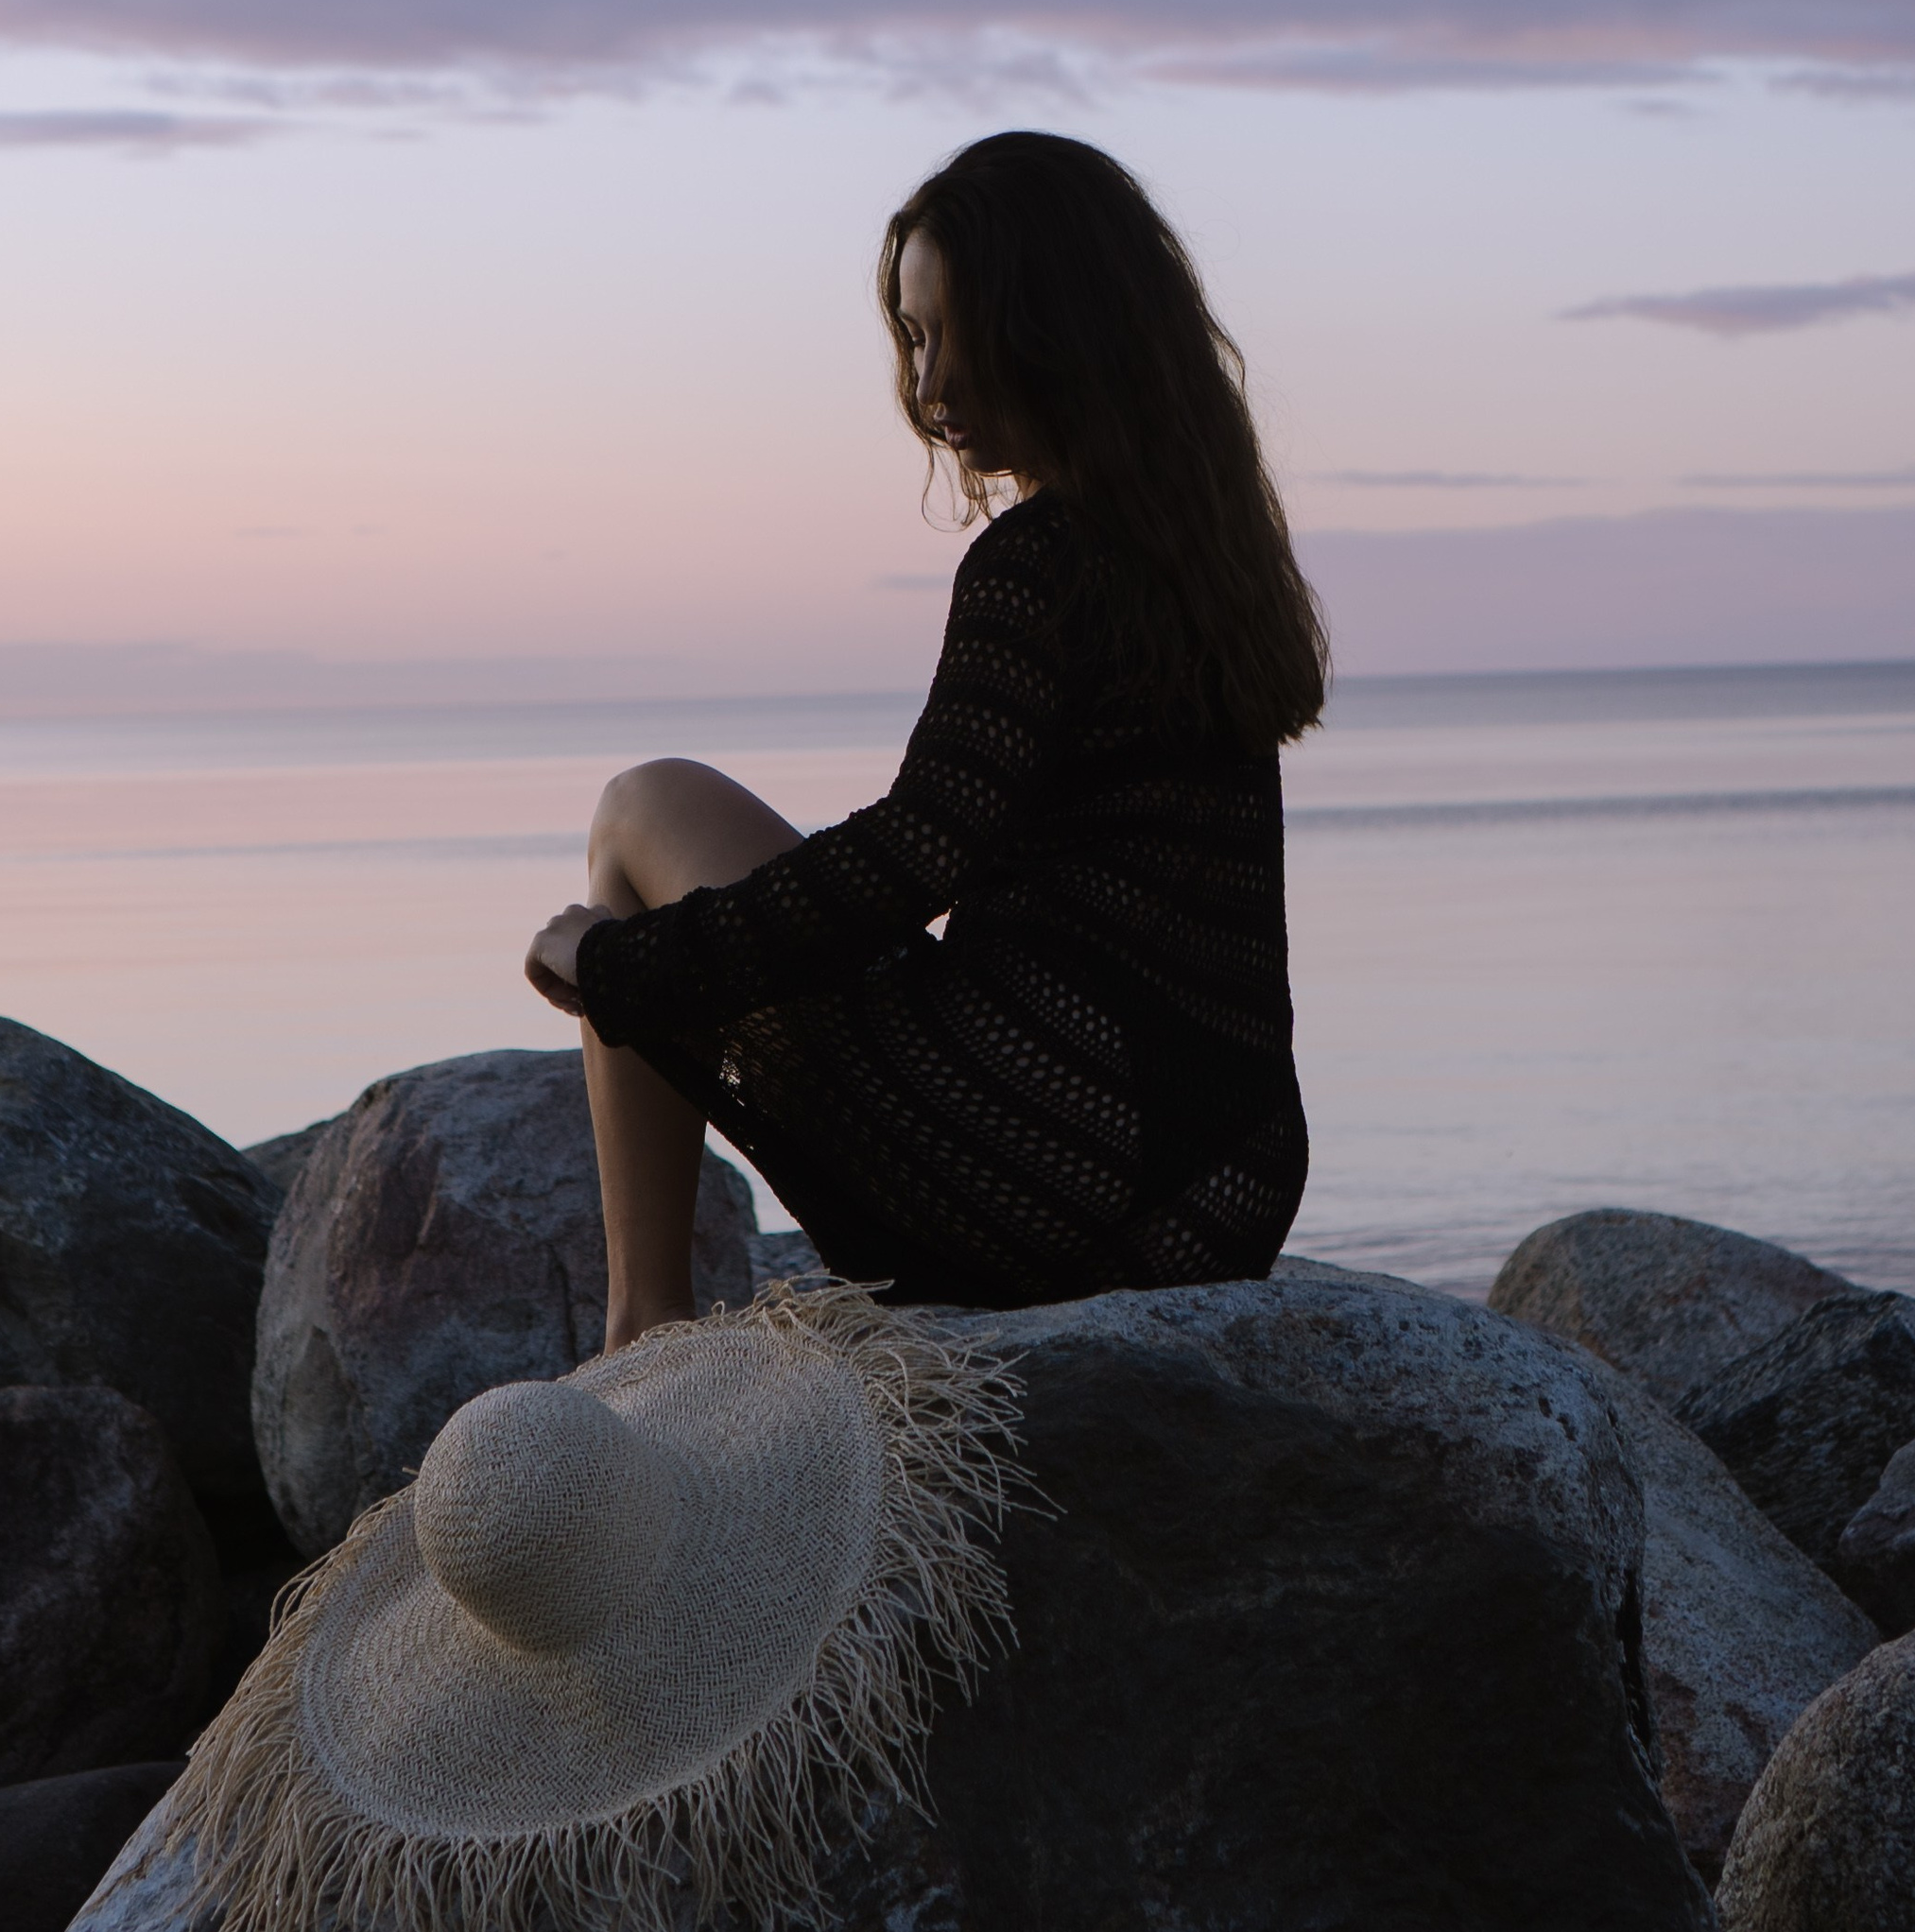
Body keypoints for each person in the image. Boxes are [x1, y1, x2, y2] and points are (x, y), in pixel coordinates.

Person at [525, 129, 1328, 1345]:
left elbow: (914, 853)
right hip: (1226, 1187)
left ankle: (645, 1330)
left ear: (1059, 327)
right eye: (913, 335)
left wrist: (628, 970)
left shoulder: (1041, 560)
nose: (930, 380)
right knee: (675, 867)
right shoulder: (1205, 559)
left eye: (961, 330)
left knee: (642, 808)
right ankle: (646, 1323)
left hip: (1053, 1159)